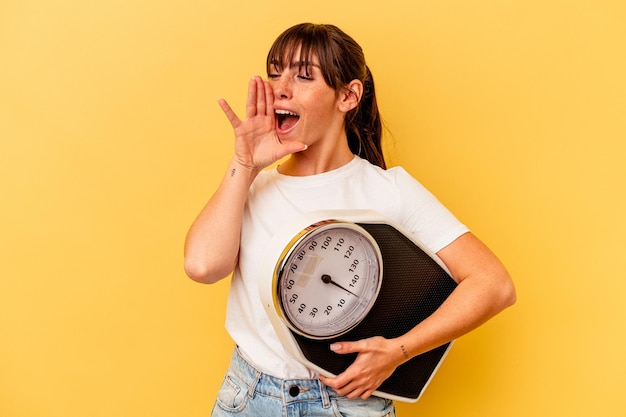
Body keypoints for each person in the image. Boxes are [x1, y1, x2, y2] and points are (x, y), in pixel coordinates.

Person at [184, 23, 516, 417]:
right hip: (249, 397)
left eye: (303, 75)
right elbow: (202, 266)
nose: (280, 88)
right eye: (275, 72)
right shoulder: (252, 186)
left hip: (348, 406)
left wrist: (398, 351)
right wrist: (244, 164)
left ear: (348, 95)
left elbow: (494, 285)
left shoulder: (387, 191)